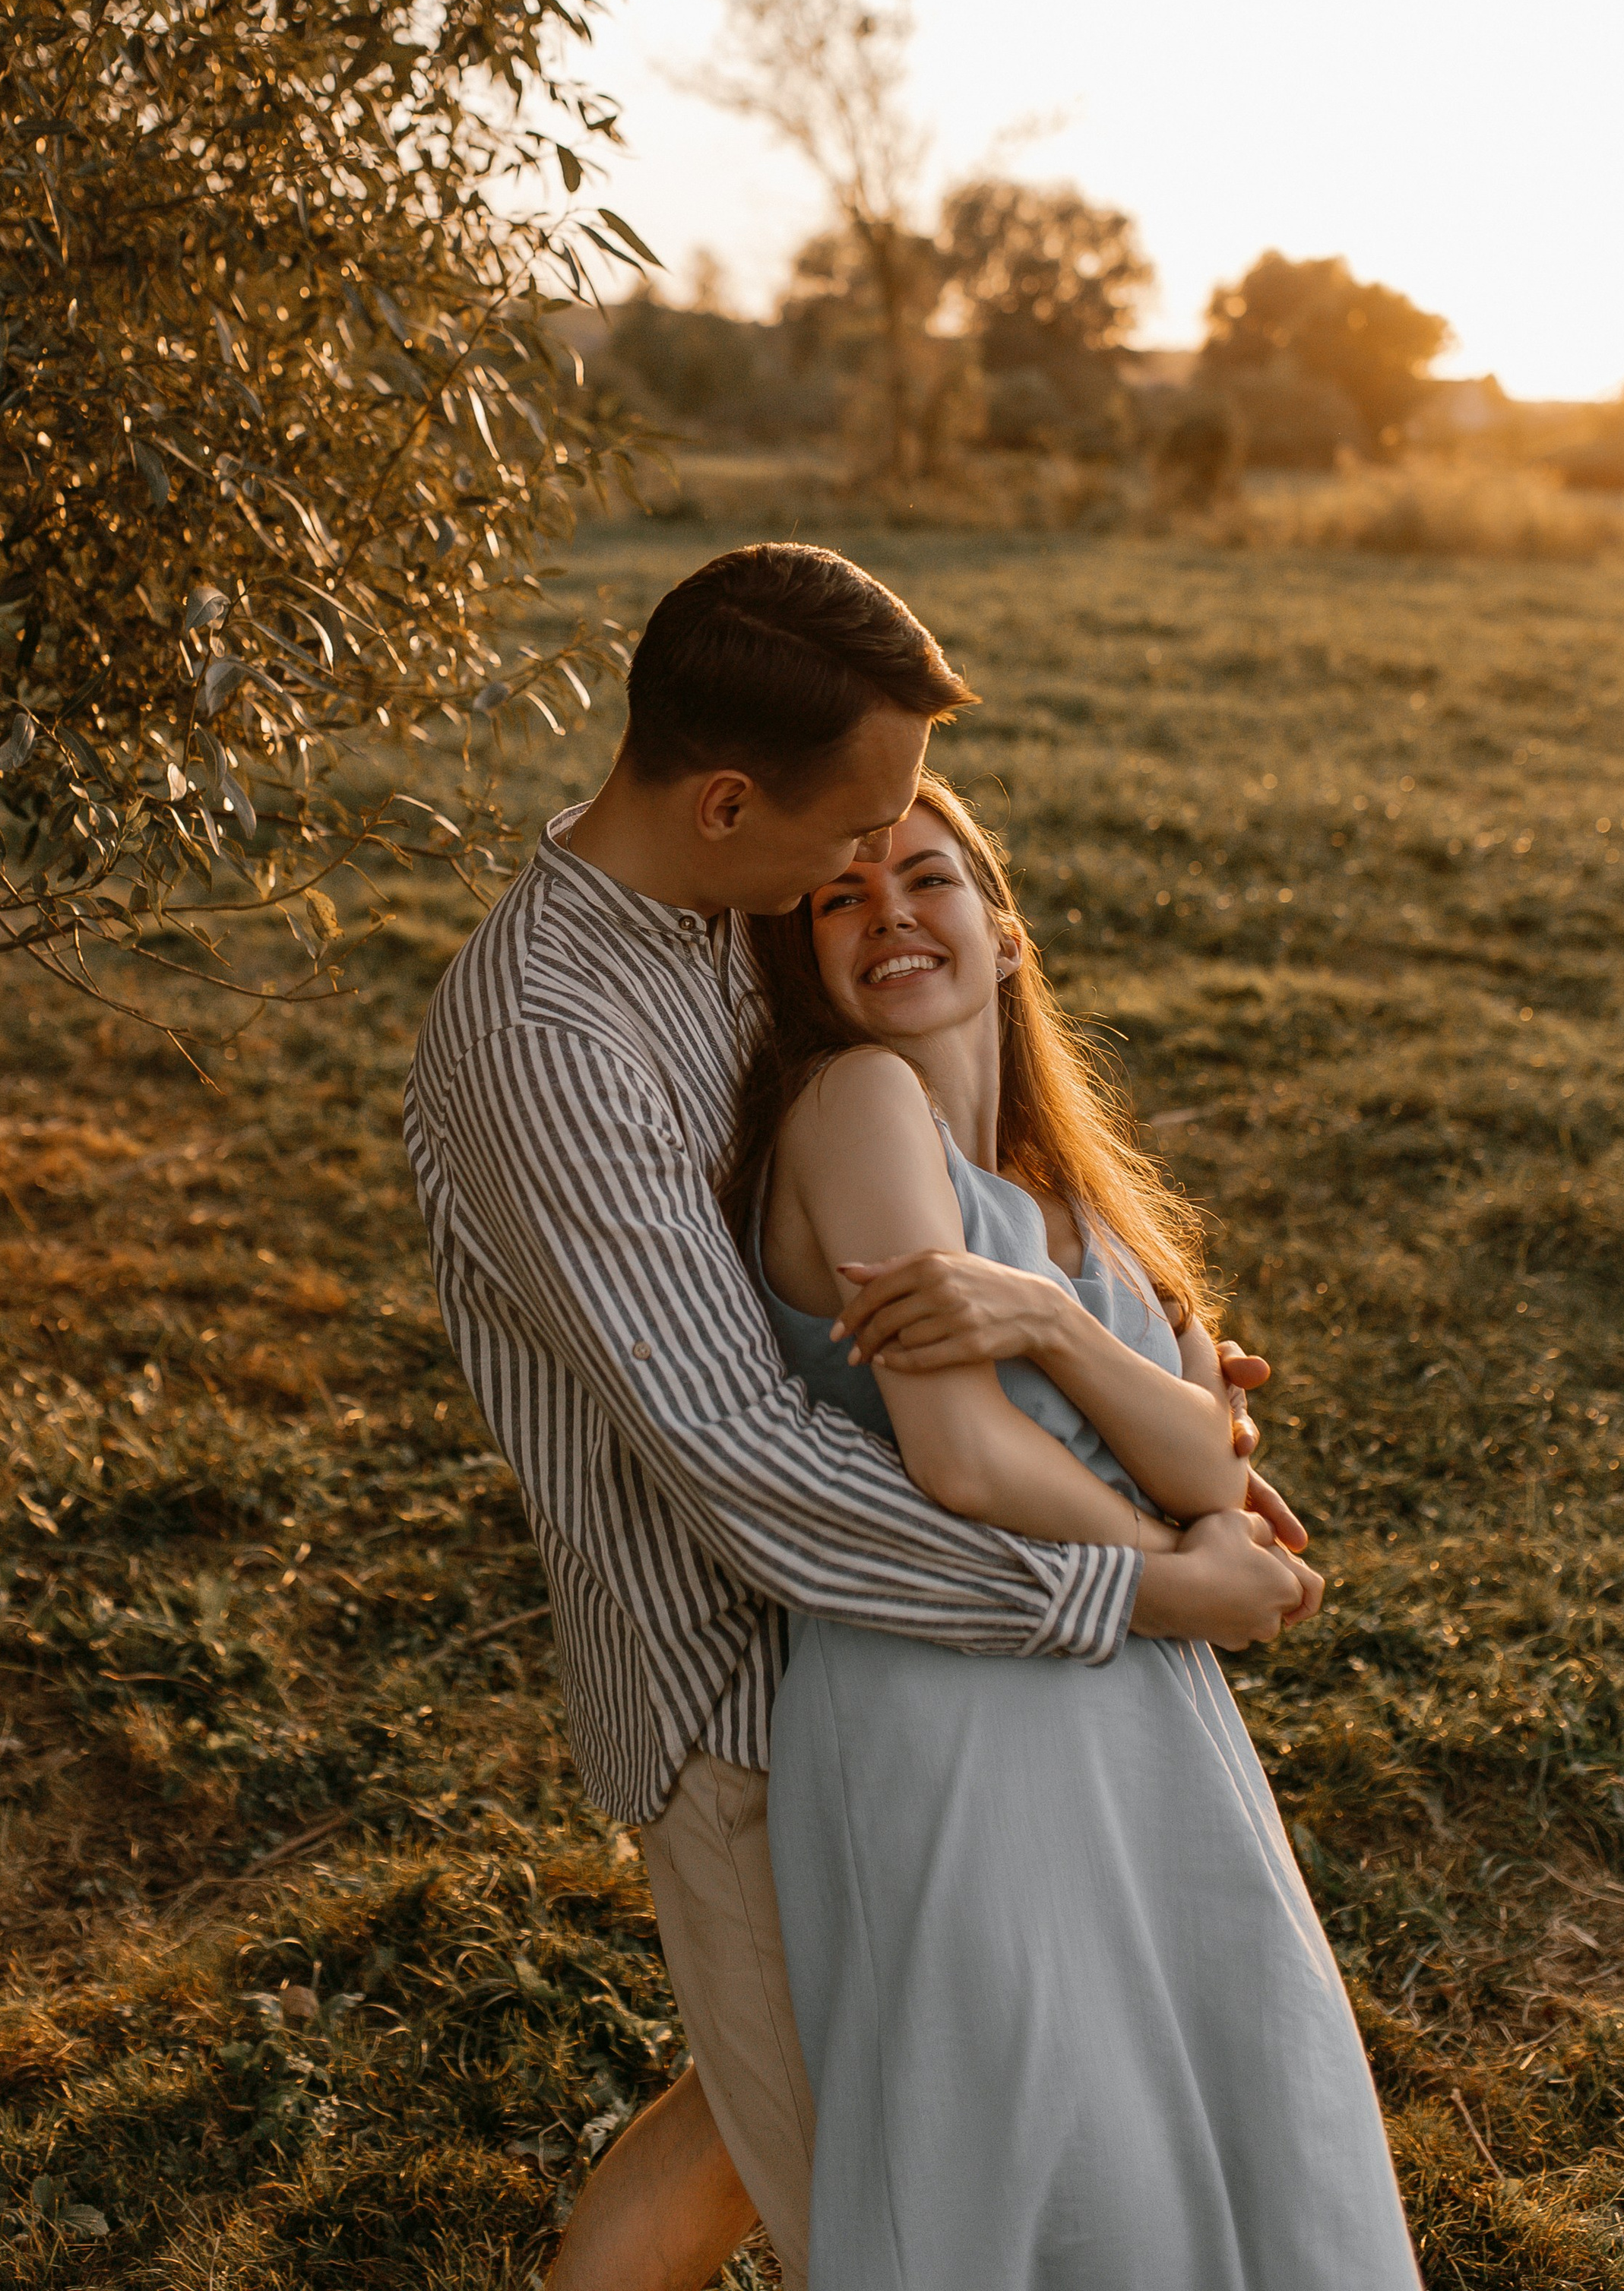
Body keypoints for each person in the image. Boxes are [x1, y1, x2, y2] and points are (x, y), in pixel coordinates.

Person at [404, 543, 1318, 2291]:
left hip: (931, 1638)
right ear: (730, 799)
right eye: (858, 827)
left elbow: (928, 1205)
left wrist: (1130, 1366)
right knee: (886, 2198)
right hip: (752, 1677)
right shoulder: (546, 1039)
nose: (874, 864)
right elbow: (744, 1462)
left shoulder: (737, 907)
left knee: (762, 2116)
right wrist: (1141, 1575)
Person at [726, 770, 1419, 2290]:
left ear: (1005, 928)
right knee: (1040, 2145)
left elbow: (1203, 1455)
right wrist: (1173, 1579)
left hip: (1137, 1716)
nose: (888, 916)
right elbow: (961, 1452)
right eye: (840, 896)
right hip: (952, 1699)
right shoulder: (856, 1105)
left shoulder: (1074, 1200)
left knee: (1237, 2110)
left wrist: (1044, 1311)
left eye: (927, 881)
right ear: (807, 954)